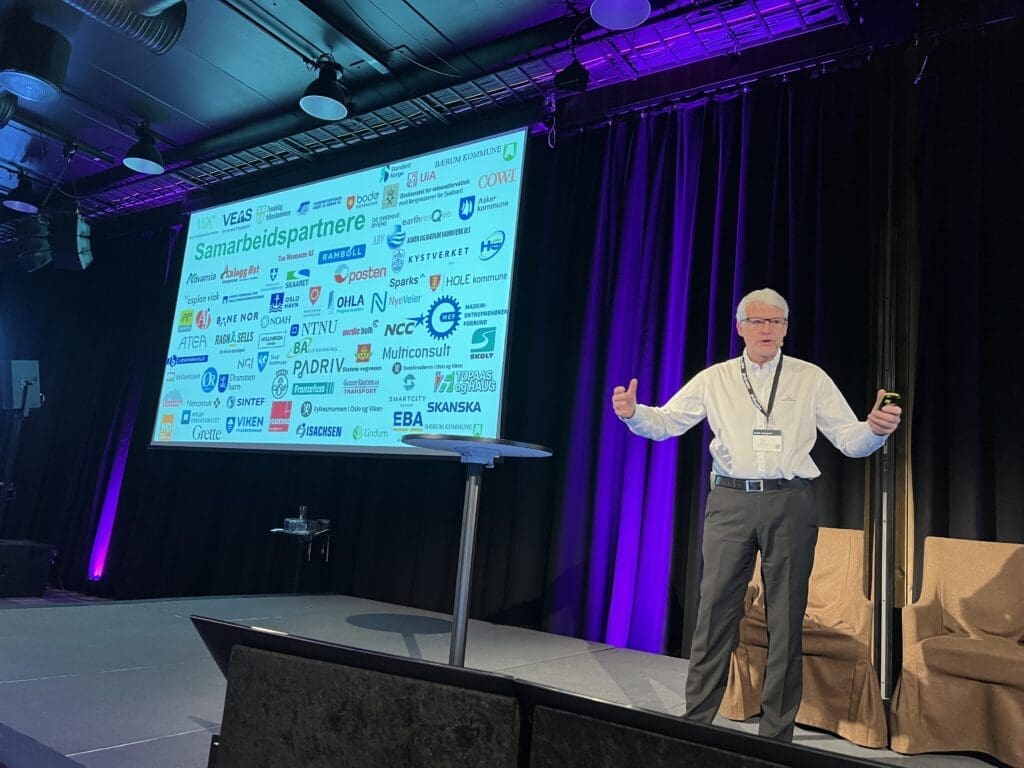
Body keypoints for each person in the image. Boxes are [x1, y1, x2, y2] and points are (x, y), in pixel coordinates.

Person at [610, 287, 901, 741]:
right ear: (740, 328)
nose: (766, 329)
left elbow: (849, 439)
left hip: (790, 501)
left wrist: (875, 431)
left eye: (775, 322)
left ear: (786, 328)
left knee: (786, 618)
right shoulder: (716, 378)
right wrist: (633, 414)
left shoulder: (810, 378)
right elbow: (667, 422)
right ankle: (696, 725)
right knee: (714, 614)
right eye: (757, 321)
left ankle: (776, 736)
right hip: (731, 502)